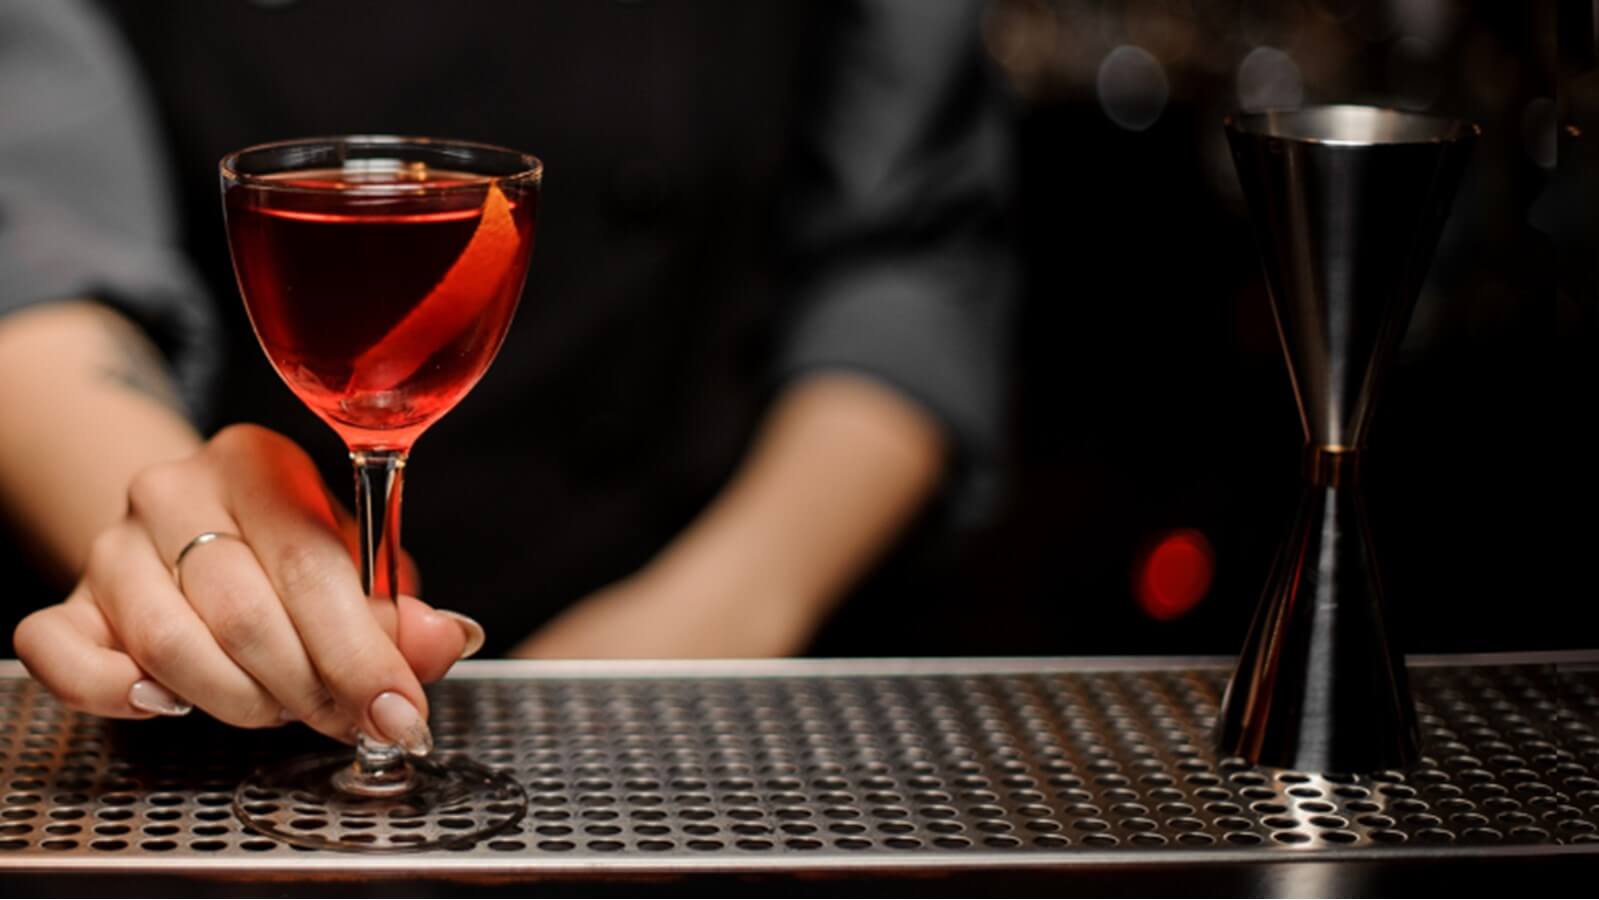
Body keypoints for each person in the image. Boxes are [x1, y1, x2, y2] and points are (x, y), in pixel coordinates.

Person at [0, 0, 1014, 753]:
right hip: (229, 709)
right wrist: (188, 557)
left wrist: (726, 610)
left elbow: (909, 245)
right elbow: (30, 220)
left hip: (710, 641)